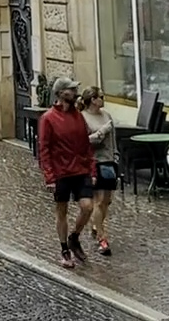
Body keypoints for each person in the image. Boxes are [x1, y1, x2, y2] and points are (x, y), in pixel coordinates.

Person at [37, 77, 96, 267]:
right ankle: (64, 250)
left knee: (87, 207)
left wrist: (92, 169)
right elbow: (44, 149)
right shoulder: (48, 119)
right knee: (61, 211)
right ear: (61, 93)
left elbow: (86, 145)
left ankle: (74, 237)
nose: (74, 92)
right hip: (61, 173)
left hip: (80, 170)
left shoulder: (78, 116)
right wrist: (49, 177)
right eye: (70, 89)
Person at [77, 86, 118, 256]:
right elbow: (82, 142)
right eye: (101, 96)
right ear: (93, 100)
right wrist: (101, 132)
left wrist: (116, 157)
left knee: (106, 201)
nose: (103, 99)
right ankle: (102, 238)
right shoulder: (82, 118)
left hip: (108, 162)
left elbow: (112, 139)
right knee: (99, 201)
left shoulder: (106, 115)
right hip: (94, 163)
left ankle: (96, 225)